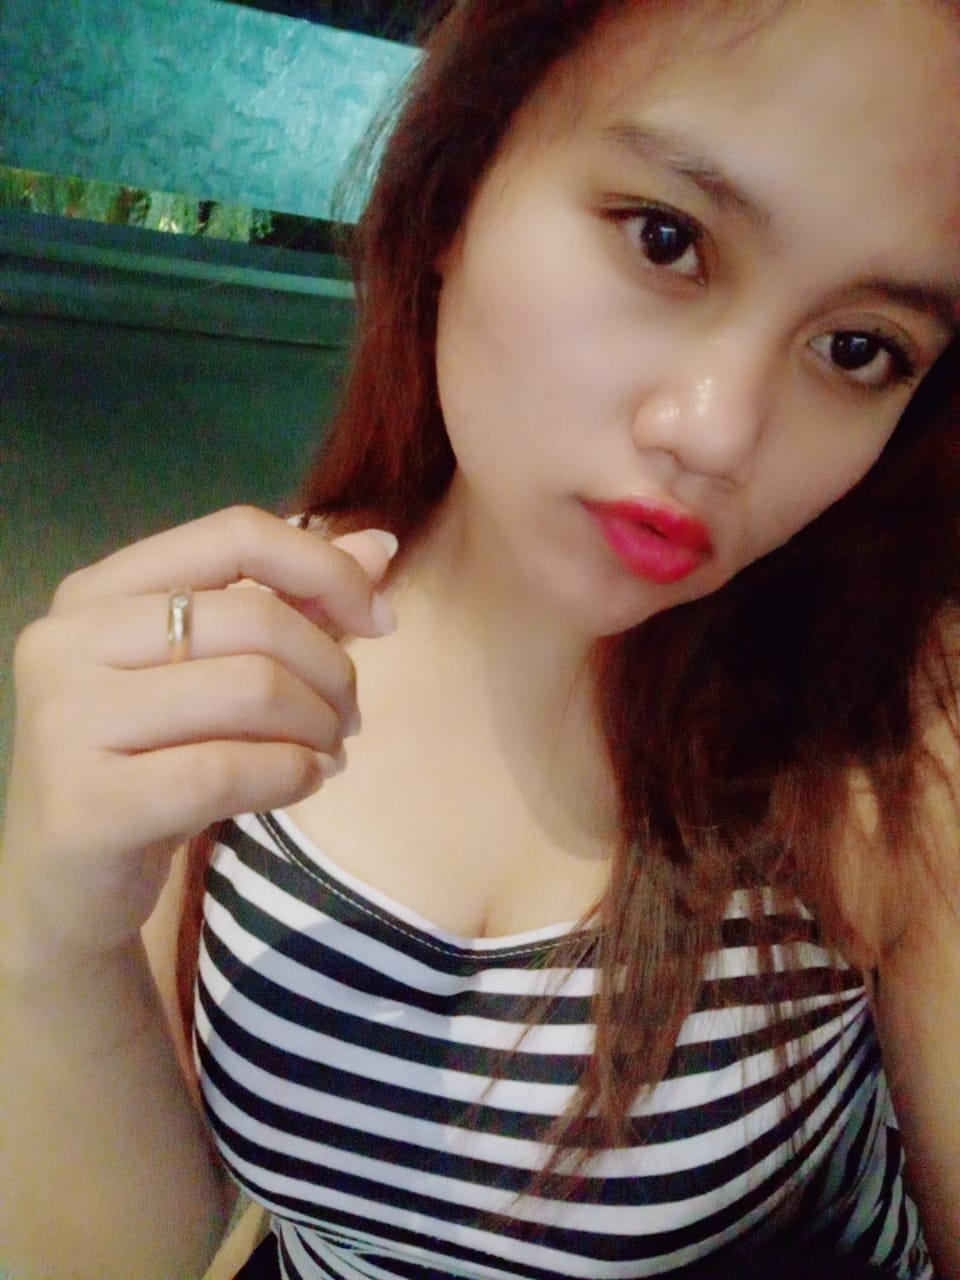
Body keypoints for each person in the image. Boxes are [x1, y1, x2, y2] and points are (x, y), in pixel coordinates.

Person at [2, 1, 959, 1277]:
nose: (719, 432)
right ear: (456, 186)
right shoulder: (245, 638)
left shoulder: (888, 731)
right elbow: (121, 1252)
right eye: (667, 239)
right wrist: (50, 937)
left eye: (858, 347)